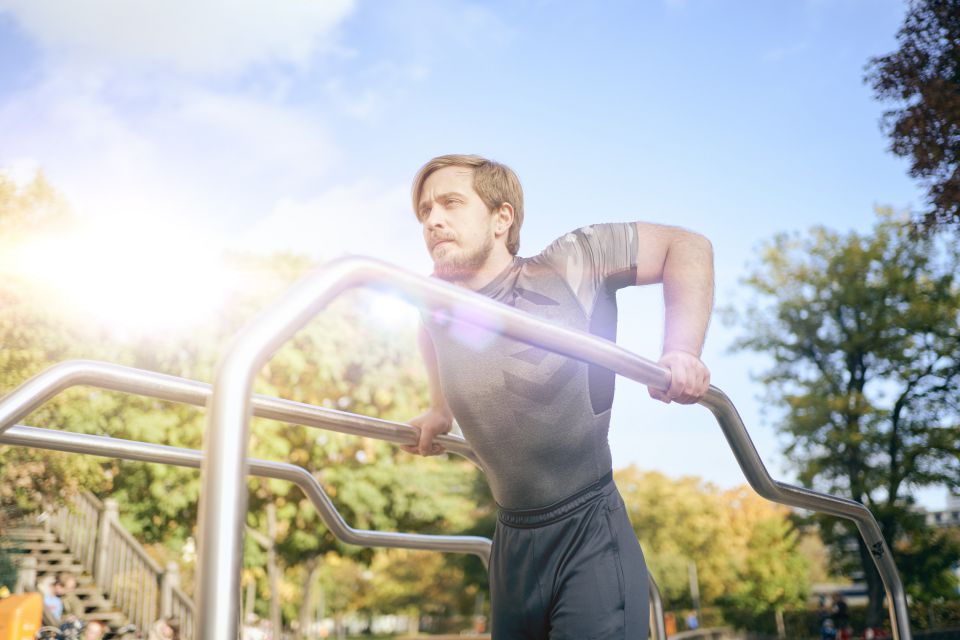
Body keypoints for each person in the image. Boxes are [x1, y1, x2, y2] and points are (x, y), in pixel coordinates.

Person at [402, 155, 713, 639]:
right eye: (424, 211)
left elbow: (687, 246)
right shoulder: (434, 297)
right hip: (510, 543)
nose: (432, 220)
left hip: (588, 527)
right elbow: (427, 331)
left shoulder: (572, 261)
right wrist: (438, 407)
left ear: (502, 217)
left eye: (450, 203)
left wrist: (680, 350)